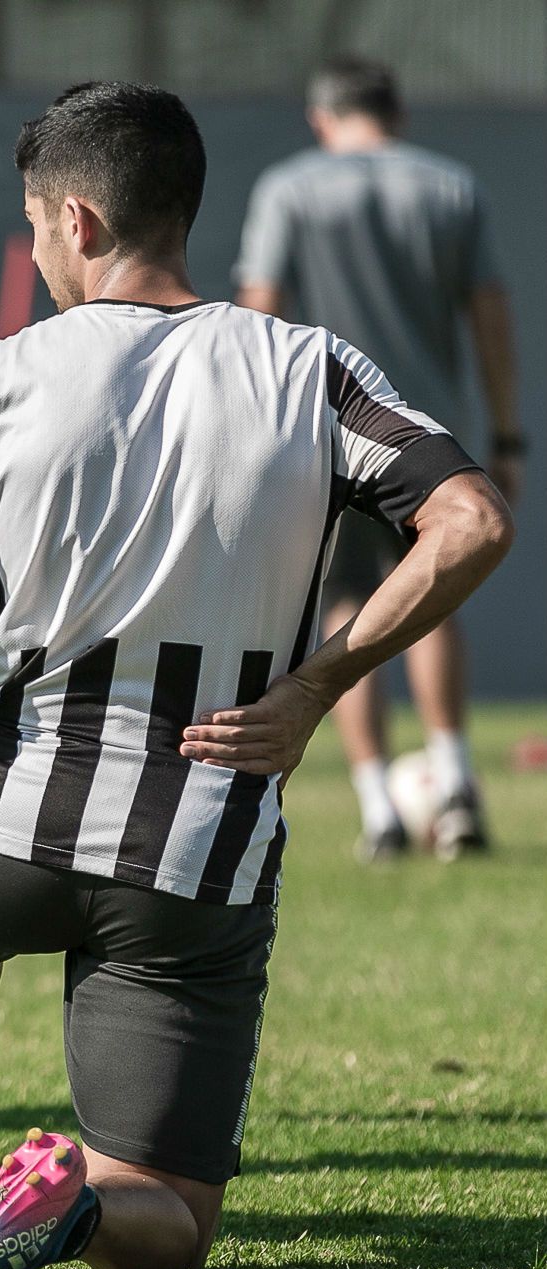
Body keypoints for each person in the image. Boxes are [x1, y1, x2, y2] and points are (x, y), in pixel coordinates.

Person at [0, 83, 510, 1269]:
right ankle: (62, 1207)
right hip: (188, 850)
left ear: (73, 219)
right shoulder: (309, 370)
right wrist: (321, 683)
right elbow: (471, 520)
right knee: (165, 1225)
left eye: (30, 226)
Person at [235, 56, 524, 861]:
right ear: (395, 113)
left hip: (325, 433)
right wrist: (505, 436)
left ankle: (379, 810)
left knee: (344, 606)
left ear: (321, 118)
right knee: (431, 604)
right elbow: (491, 316)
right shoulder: (450, 187)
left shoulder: (289, 189)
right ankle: (457, 787)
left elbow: (260, 310)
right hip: (426, 437)